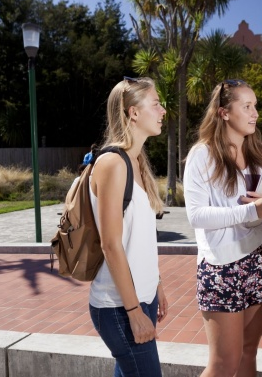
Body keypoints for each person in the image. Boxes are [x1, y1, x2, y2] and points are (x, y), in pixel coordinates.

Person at [183, 79, 262, 377]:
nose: (255, 113)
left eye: (255, 106)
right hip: (222, 266)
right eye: (247, 106)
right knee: (223, 363)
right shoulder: (202, 155)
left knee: (248, 352)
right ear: (224, 113)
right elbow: (197, 216)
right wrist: (251, 209)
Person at [88, 76, 168, 376]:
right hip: (118, 307)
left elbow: (140, 239)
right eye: (156, 104)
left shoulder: (137, 163)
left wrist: (156, 283)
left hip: (141, 299)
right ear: (133, 112)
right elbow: (111, 244)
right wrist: (134, 311)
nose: (162, 111)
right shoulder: (112, 163)